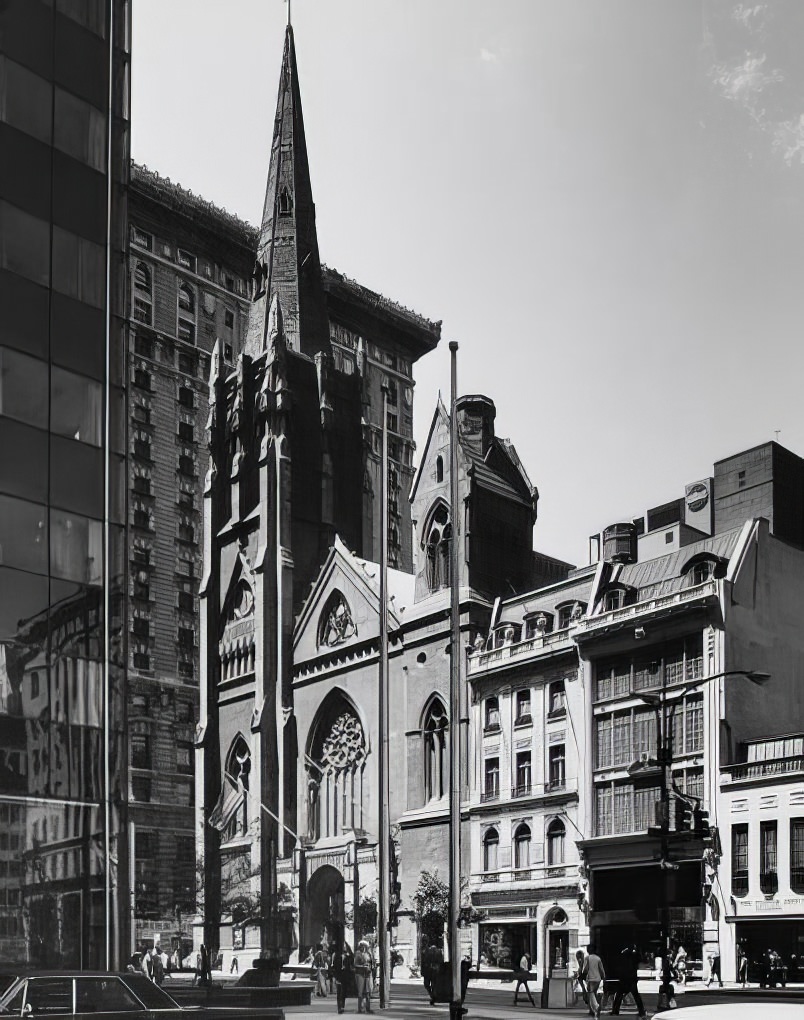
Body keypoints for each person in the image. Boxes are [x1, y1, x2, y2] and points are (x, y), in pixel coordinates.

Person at [611, 944, 647, 1020]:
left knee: (619, 994)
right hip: (632, 977)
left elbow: (619, 963)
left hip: (624, 977)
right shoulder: (635, 955)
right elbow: (641, 959)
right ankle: (641, 1011)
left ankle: (615, 1010)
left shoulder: (624, 954)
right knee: (636, 995)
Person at [582, 944, 606, 1020]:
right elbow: (601, 969)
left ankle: (595, 1007)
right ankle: (595, 1011)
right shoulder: (598, 958)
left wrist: (583, 975)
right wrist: (603, 977)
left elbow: (585, 969)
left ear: (588, 950)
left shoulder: (587, 958)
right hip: (598, 979)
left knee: (591, 993)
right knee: (594, 993)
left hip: (590, 978)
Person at [331, 939, 353, 1015]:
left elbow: (351, 964)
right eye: (343, 946)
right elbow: (333, 966)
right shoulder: (336, 955)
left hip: (345, 976)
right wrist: (335, 976)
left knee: (344, 992)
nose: (344, 947)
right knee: (339, 992)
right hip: (338, 975)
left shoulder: (348, 956)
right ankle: (339, 1007)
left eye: (345, 946)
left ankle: (342, 1005)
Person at [354, 939, 373, 1014]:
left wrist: (370, 966)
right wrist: (362, 966)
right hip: (360, 973)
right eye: (362, 946)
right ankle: (360, 1008)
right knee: (360, 992)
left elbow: (371, 962)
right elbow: (355, 964)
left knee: (368, 991)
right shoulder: (358, 954)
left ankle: (368, 1008)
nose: (363, 948)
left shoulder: (368, 954)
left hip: (367, 974)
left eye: (365, 946)